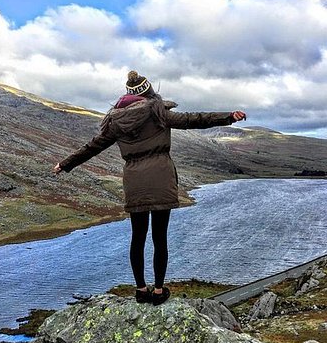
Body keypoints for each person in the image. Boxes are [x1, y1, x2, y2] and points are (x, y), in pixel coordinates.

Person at [54, 71, 246, 306]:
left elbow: (92, 147)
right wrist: (228, 117)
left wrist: (64, 164)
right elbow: (193, 119)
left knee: (138, 237)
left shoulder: (115, 122)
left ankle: (140, 289)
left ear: (128, 94)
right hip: (161, 179)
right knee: (159, 238)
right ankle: (157, 291)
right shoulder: (158, 113)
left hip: (134, 182)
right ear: (148, 90)